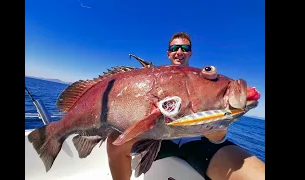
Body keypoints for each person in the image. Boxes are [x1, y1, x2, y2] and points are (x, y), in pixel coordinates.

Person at [107, 32, 265, 180]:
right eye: (174, 48)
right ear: (168, 53)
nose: (180, 51)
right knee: (114, 140)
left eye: (185, 48)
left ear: (190, 53)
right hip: (160, 139)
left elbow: (217, 137)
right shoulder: (154, 77)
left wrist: (217, 129)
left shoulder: (205, 79)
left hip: (197, 142)